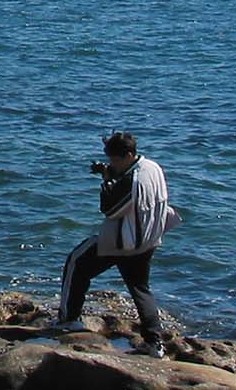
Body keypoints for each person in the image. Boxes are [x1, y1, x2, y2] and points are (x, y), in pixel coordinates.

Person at [58, 131, 178, 358]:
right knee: (140, 289)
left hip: (124, 242)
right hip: (149, 238)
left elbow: (109, 208)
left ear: (129, 155)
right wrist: (110, 172)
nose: (112, 163)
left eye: (114, 159)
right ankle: (155, 343)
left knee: (77, 262)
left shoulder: (132, 182)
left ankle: (69, 320)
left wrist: (106, 180)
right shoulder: (153, 167)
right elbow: (127, 181)